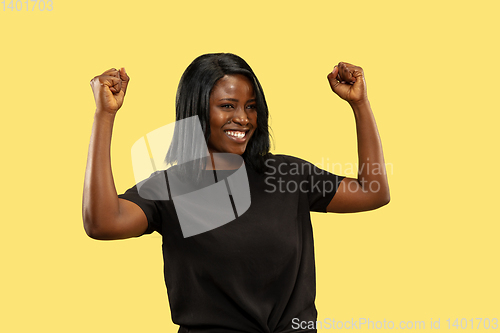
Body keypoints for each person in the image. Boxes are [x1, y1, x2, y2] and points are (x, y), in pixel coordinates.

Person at [83, 53, 390, 333]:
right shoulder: (171, 187)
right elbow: (102, 223)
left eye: (251, 106)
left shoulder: (286, 175)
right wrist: (104, 115)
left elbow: (372, 191)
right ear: (198, 110)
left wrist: (359, 104)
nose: (243, 118)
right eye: (227, 106)